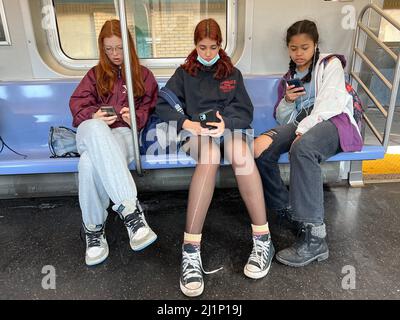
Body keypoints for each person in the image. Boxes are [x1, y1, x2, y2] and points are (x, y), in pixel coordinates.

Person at [156, 18, 274, 297]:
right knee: (208, 155)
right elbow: (163, 106)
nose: (207, 53)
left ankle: (263, 239)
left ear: (220, 46)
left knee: (240, 153)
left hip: (229, 129)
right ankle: (191, 250)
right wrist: (190, 124)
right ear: (195, 46)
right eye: (202, 47)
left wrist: (226, 124)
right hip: (197, 132)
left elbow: (244, 111)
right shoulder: (184, 73)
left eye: (213, 47)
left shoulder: (232, 73)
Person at [254, 20, 363, 267]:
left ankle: (315, 239)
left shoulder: (330, 64)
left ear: (315, 46)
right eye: (293, 49)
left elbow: (330, 104)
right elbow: (284, 119)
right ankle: (286, 209)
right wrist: (288, 101)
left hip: (335, 123)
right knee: (261, 149)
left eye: (305, 47)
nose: (299, 54)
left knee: (303, 149)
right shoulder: (291, 77)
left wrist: (302, 131)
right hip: (305, 124)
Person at [70, 19, 159, 266]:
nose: (115, 54)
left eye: (119, 48)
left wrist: (135, 118)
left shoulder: (143, 76)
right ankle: (130, 210)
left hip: (122, 134)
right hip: (92, 132)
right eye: (109, 49)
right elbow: (78, 105)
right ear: (102, 49)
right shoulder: (95, 75)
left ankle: (94, 229)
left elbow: (150, 110)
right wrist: (94, 115)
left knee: (88, 163)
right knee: (95, 127)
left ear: (128, 46)